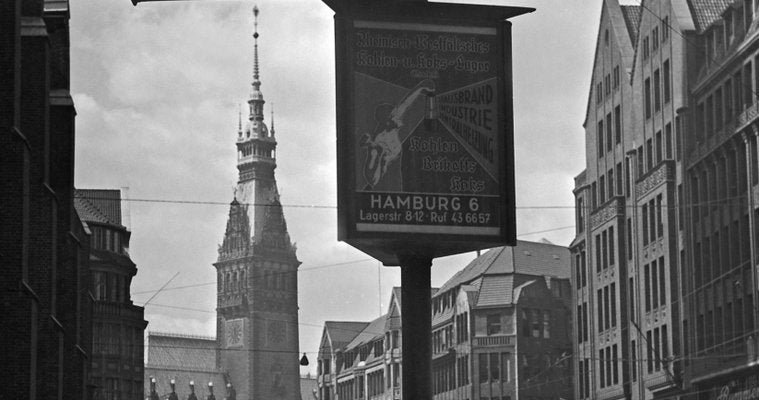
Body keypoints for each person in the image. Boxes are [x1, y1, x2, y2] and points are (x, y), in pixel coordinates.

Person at [361, 79, 435, 189]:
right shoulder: (379, 140)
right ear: (386, 121)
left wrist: (420, 87)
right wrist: (375, 149)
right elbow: (372, 179)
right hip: (382, 182)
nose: (399, 117)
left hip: (396, 177)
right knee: (376, 153)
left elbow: (405, 102)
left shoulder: (392, 124)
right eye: (394, 116)